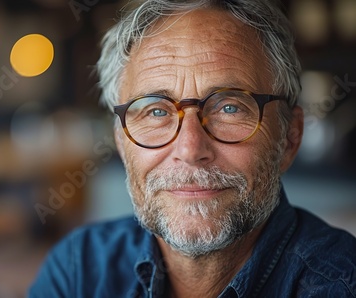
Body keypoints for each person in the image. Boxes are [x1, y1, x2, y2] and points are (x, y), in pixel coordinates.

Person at [28, 0, 356, 297]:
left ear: (289, 137)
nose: (189, 148)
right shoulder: (77, 271)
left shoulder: (342, 285)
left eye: (229, 107)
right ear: (120, 140)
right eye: (156, 111)